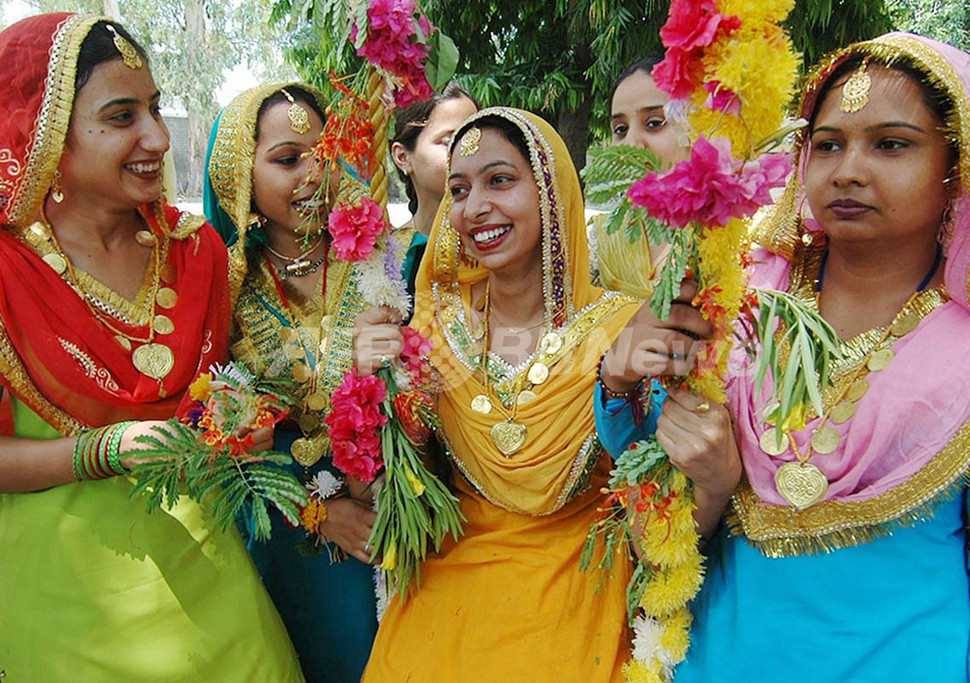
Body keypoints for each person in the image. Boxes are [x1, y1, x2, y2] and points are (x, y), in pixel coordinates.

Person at [597, 33, 970, 681]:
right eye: (828, 144)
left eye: (891, 143)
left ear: (956, 166)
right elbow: (649, 472)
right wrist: (619, 378)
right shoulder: (736, 293)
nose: (848, 168)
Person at [0, 14, 303, 680]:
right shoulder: (7, 269)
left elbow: (214, 393)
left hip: (213, 588)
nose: (158, 138)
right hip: (67, 610)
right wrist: (103, 448)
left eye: (156, 109)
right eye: (121, 115)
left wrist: (235, 418)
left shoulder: (197, 252)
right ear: (42, 131)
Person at [357, 108, 641, 680]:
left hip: (580, 581)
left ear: (551, 192)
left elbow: (657, 497)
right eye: (459, 189)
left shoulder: (622, 333)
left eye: (500, 180)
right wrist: (380, 395)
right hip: (452, 586)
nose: (474, 206)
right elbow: (400, 496)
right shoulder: (432, 334)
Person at [204, 83, 379, 682]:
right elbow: (219, 438)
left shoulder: (379, 257)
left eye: (322, 154)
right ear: (240, 179)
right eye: (286, 159)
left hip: (394, 508)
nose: (311, 174)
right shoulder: (224, 290)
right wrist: (320, 513)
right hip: (289, 528)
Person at [593, 56, 692, 298]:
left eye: (654, 123)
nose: (632, 144)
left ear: (695, 128)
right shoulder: (600, 242)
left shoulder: (735, 234)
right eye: (620, 129)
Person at [389, 81, 477, 289]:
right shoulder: (386, 258)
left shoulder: (496, 246)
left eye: (475, 139)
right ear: (402, 157)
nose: (469, 152)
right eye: (449, 142)